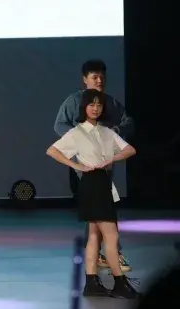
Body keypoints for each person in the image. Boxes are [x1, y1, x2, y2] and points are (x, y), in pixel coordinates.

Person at [47, 89, 138, 298]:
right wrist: (76, 165)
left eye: (99, 105)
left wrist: (111, 159)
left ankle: (91, 283)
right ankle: (119, 283)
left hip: (103, 182)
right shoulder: (77, 132)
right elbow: (52, 150)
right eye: (91, 104)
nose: (95, 108)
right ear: (84, 107)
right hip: (91, 183)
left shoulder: (106, 131)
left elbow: (130, 149)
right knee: (111, 235)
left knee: (95, 235)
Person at [53, 59, 135, 272]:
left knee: (97, 215)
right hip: (85, 167)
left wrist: (113, 134)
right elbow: (60, 125)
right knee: (101, 212)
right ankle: (112, 254)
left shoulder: (110, 103)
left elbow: (128, 123)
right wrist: (79, 139)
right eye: (94, 77)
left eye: (102, 77)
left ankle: (98, 257)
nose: (99, 81)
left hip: (104, 167)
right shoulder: (74, 101)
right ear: (85, 79)